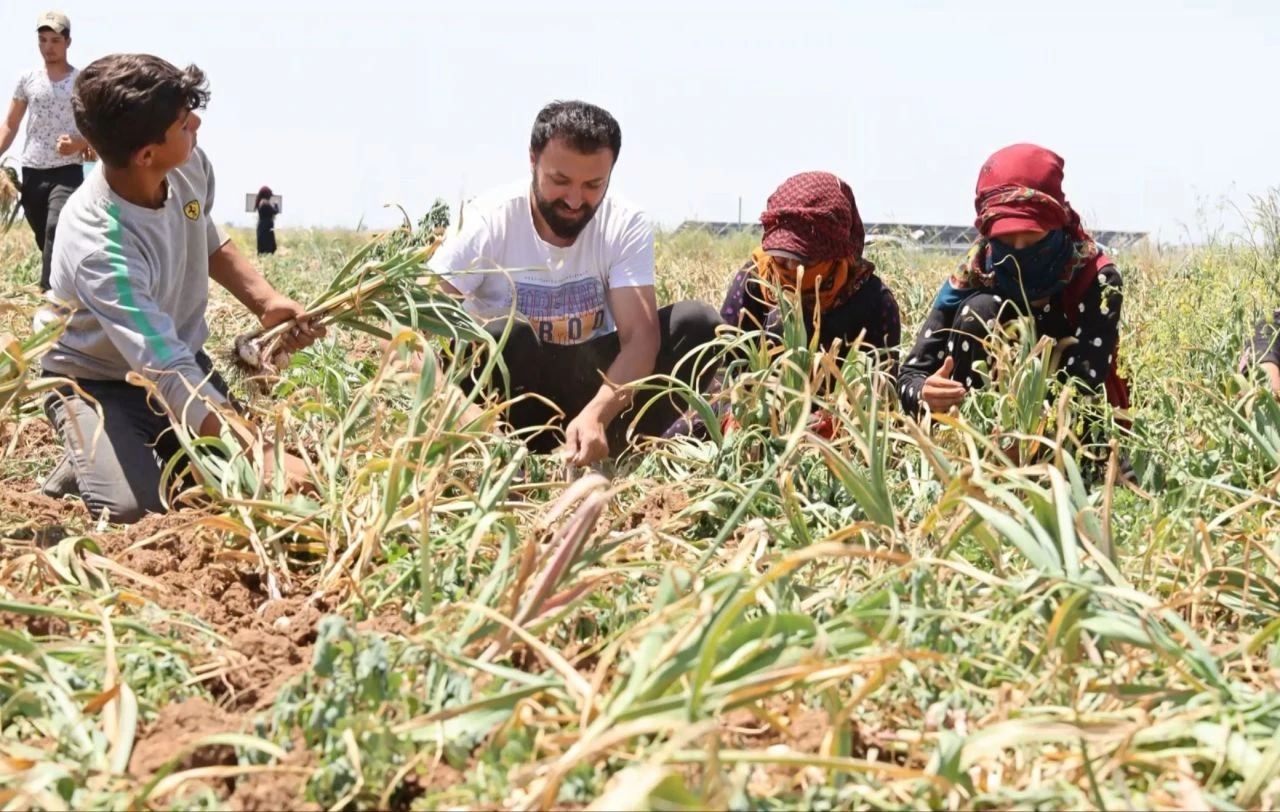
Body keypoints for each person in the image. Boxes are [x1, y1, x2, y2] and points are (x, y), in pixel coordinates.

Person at [35, 54, 324, 524]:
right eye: (182, 121)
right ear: (146, 154)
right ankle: (92, 453)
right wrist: (257, 454)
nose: (196, 123)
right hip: (95, 380)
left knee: (216, 488)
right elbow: (166, 370)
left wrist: (266, 302)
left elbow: (202, 235)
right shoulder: (99, 244)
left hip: (176, 359)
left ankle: (128, 444)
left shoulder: (185, 165)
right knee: (137, 510)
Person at [426, 100, 721, 466]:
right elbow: (410, 330)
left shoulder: (623, 223)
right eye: (560, 181)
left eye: (593, 184)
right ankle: (505, 454)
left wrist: (597, 413)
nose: (574, 199)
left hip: (594, 385)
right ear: (533, 161)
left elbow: (640, 337)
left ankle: (614, 443)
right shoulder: (489, 221)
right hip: (511, 394)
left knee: (694, 323)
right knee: (504, 334)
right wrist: (462, 414)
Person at [896, 143, 1130, 423]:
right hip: (978, 437)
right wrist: (924, 392)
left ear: (1058, 223)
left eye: (1034, 240)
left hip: (1071, 432)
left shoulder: (1096, 278)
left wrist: (1028, 436)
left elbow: (1081, 389)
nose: (1019, 252)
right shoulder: (976, 270)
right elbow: (910, 374)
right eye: (1006, 240)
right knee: (979, 310)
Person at [719, 171, 902, 370]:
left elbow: (883, 390)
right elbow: (722, 367)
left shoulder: (873, 301)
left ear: (834, 255)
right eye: (781, 257)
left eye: (802, 260)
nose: (789, 269)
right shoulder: (756, 277)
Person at [0, 11, 90, 292]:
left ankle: (48, 293)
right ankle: (69, 278)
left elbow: (95, 127)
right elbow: (11, 124)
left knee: (56, 227)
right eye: (42, 40)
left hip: (68, 170)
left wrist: (78, 144)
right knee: (43, 233)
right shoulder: (27, 79)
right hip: (33, 169)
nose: (48, 47)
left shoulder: (81, 81)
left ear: (68, 42)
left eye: (54, 40)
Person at [255, 185, 278, 255]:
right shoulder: (265, 203)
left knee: (265, 246)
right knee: (268, 247)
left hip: (264, 226)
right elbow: (275, 211)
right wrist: (276, 205)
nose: (270, 197)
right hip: (266, 227)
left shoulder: (261, 203)